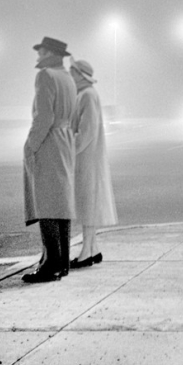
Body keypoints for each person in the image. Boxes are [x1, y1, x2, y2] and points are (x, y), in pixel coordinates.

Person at [22, 36, 77, 283]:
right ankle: (62, 262)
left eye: (41, 52)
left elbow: (44, 116)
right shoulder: (68, 78)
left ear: (50, 54)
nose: (38, 56)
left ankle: (50, 264)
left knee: (46, 203)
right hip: (65, 141)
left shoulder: (45, 76)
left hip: (50, 141)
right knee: (62, 202)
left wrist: (30, 145)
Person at [68, 58, 118, 268]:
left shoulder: (87, 95)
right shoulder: (86, 94)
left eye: (72, 72)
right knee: (89, 203)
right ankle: (93, 247)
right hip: (88, 157)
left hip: (86, 158)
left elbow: (86, 131)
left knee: (88, 204)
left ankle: (86, 251)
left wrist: (70, 149)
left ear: (79, 74)